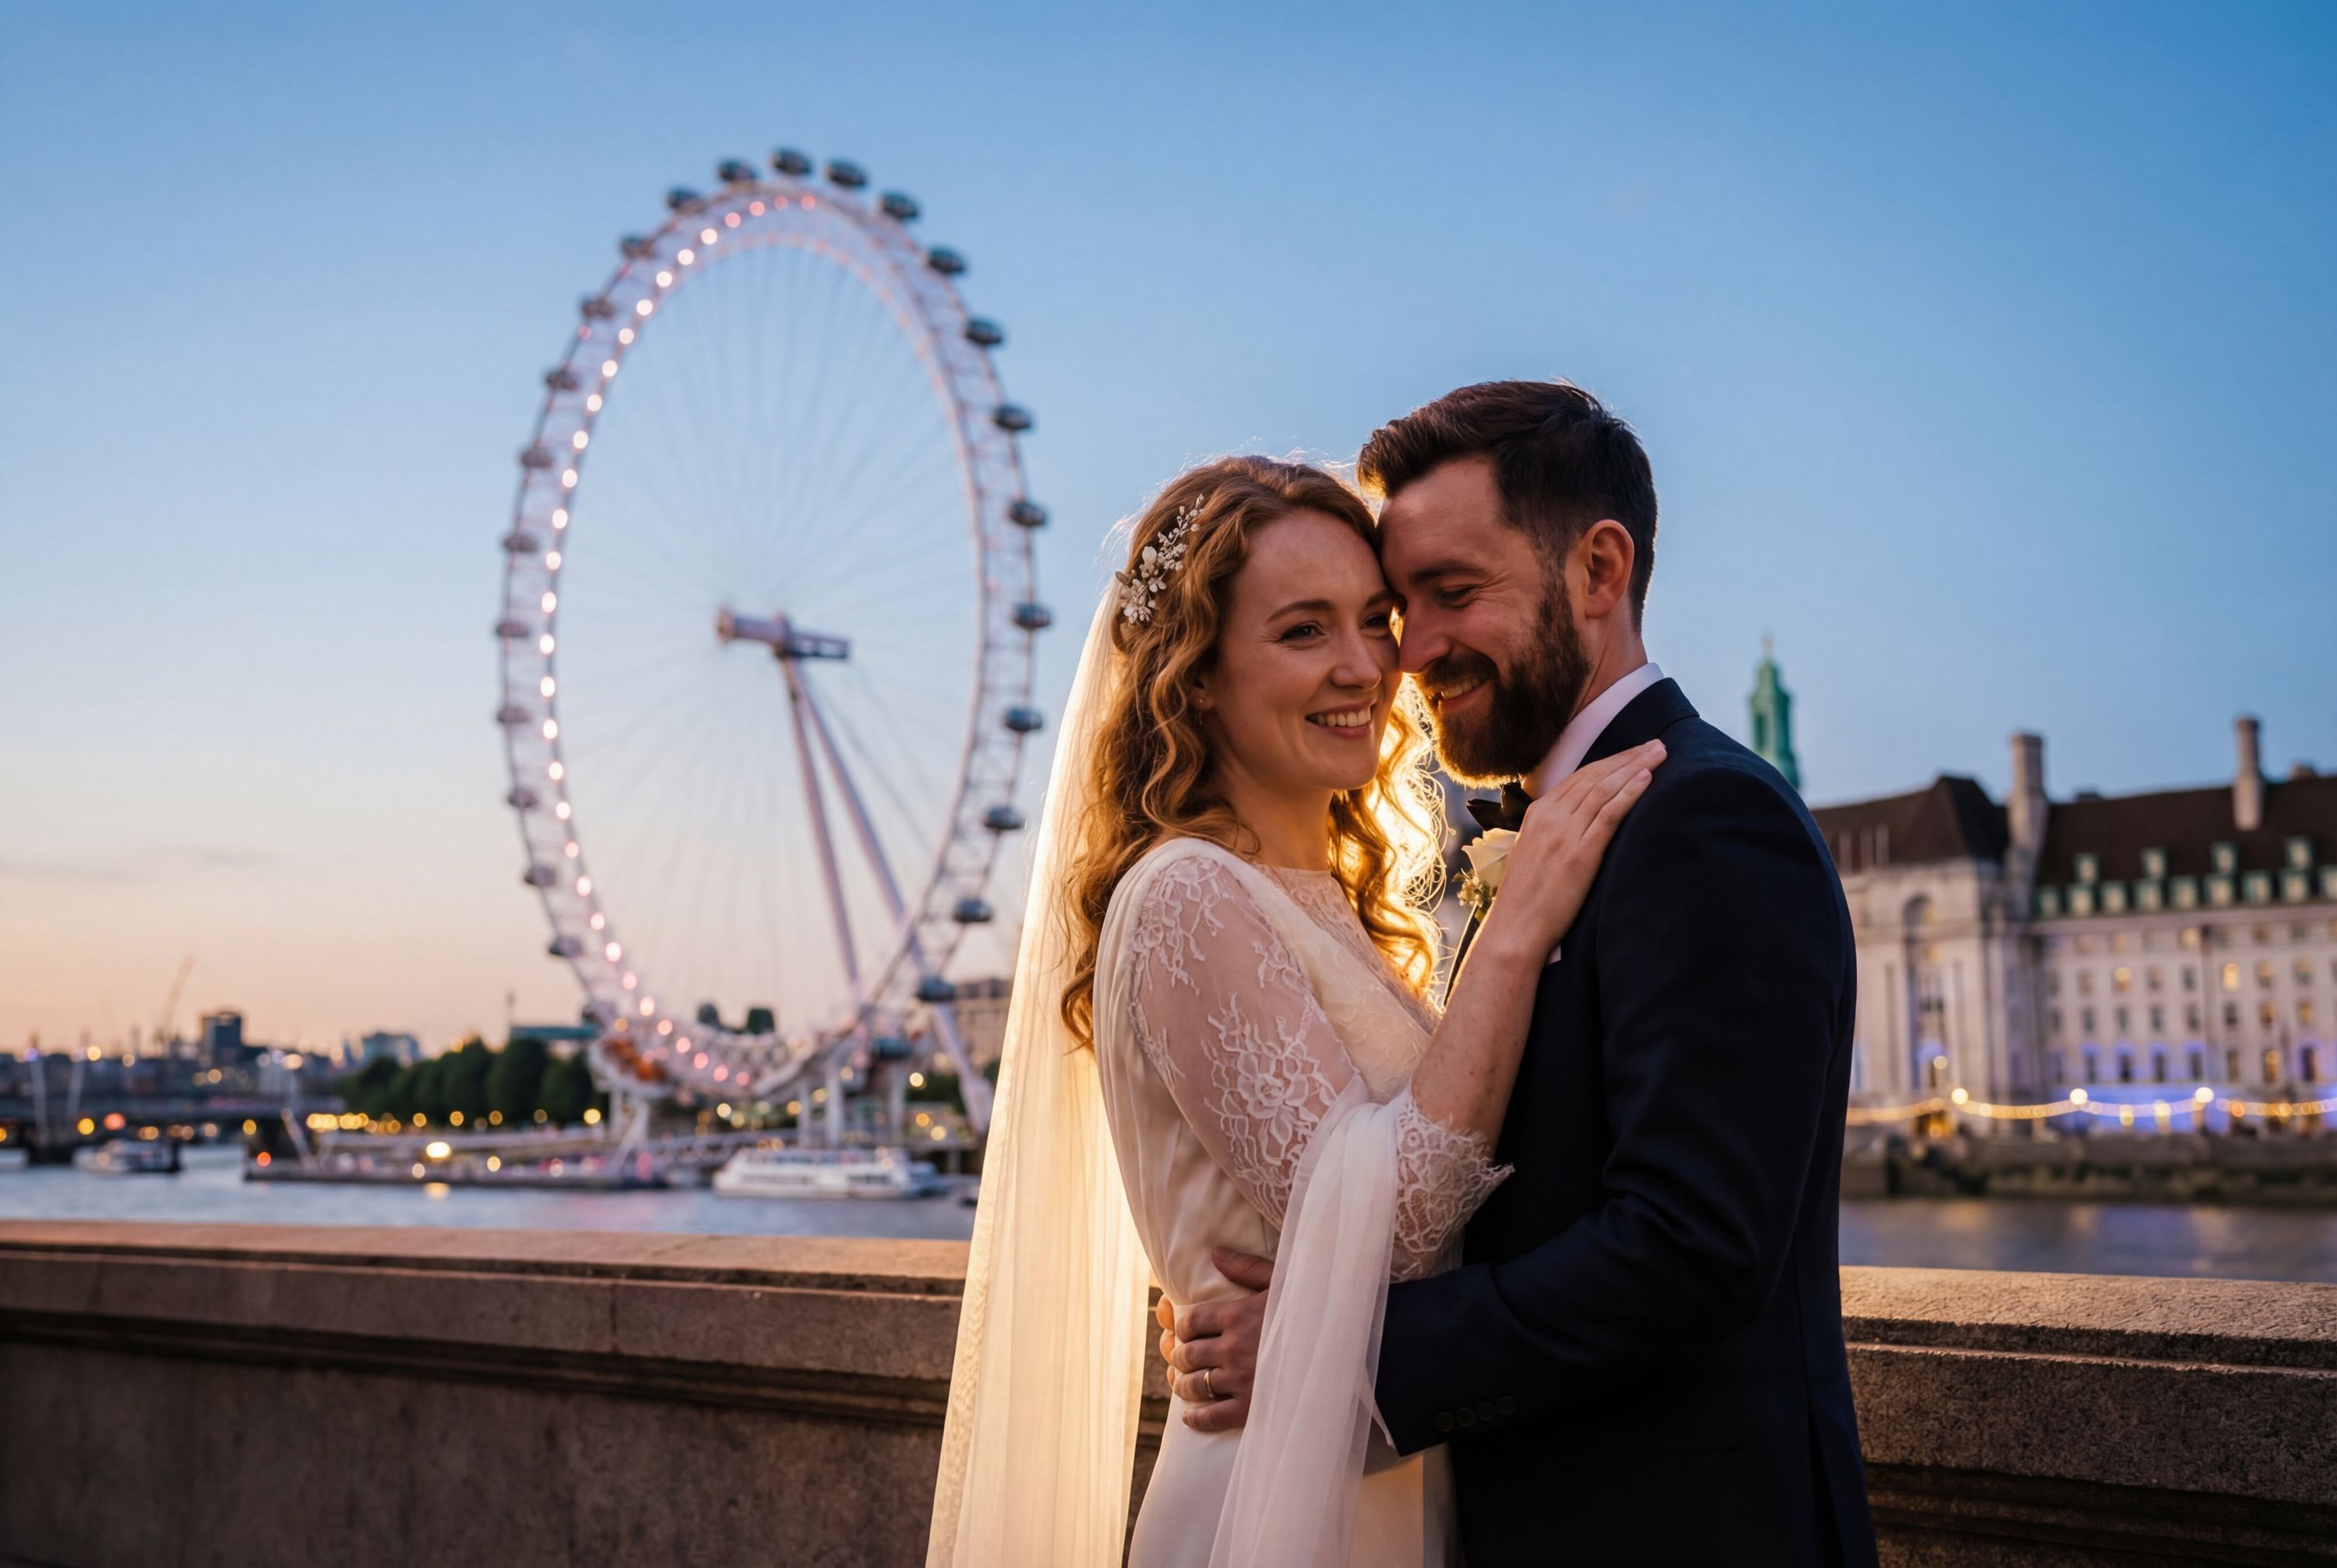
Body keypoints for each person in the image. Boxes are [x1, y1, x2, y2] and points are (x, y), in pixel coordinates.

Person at [1163, 382, 1881, 1566]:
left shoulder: (1707, 820)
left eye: (1453, 593)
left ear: (1601, 570)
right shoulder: (1563, 834)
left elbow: (1692, 1246)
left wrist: (1333, 1356)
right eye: (1405, 607)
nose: (1410, 653)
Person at [927, 452, 1659, 1566]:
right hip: (1279, 1508)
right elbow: (1402, 1231)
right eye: (1305, 630)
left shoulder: (1322, 901)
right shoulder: (1185, 894)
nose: (1366, 664)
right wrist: (1516, 929)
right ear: (1198, 674)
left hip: (1387, 1474)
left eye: (1377, 619)